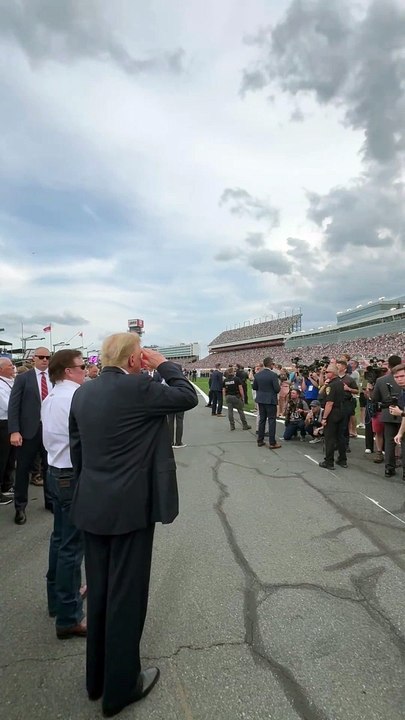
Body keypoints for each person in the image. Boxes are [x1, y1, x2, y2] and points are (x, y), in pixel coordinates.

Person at [69, 333, 198, 717]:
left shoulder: (83, 392)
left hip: (93, 502)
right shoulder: (140, 386)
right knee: (126, 597)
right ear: (133, 360)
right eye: (141, 357)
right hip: (129, 508)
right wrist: (162, 363)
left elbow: (77, 448)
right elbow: (186, 396)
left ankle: (97, 679)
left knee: (102, 593)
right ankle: (121, 687)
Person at [42, 349, 87, 639]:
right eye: (82, 366)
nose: (86, 370)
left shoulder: (50, 397)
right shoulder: (74, 397)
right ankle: (69, 617)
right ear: (68, 372)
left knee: (60, 540)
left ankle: (58, 600)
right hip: (70, 473)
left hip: (55, 471)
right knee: (72, 546)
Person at [8, 346, 53, 524]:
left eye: (47, 357)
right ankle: (20, 507)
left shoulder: (55, 378)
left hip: (50, 431)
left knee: (50, 469)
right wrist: (14, 430)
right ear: (33, 358)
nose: (44, 360)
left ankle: (50, 501)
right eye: (41, 357)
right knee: (23, 470)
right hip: (28, 432)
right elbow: (14, 406)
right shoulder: (23, 379)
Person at [372, 355, 402, 477]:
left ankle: (389, 467)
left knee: (389, 441)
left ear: (388, 365)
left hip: (388, 412)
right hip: (400, 412)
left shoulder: (381, 380)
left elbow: (375, 398)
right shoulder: (401, 378)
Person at [319, 365, 347, 469]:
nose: (325, 374)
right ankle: (343, 459)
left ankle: (329, 462)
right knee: (340, 437)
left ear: (332, 373)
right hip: (341, 410)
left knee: (329, 438)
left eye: (327, 372)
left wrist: (324, 418)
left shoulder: (331, 385)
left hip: (333, 412)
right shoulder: (340, 383)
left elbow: (329, 403)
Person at [252, 357, 281, 449]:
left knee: (262, 420)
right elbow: (277, 389)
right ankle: (272, 442)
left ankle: (260, 440)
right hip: (270, 400)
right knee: (271, 420)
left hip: (261, 399)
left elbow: (254, 387)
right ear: (270, 364)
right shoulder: (273, 375)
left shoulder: (258, 375)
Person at [0, 357, 16, 505]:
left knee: (10, 457)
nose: (13, 367)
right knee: (2, 458)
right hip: (3, 423)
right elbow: (8, 404)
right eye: (10, 365)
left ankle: (6, 485)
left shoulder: (9, 381)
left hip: (10, 422)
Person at [392, 363, 405, 481]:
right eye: (396, 377)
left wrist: (400, 413)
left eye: (402, 376)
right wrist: (400, 433)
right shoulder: (402, 392)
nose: (399, 379)